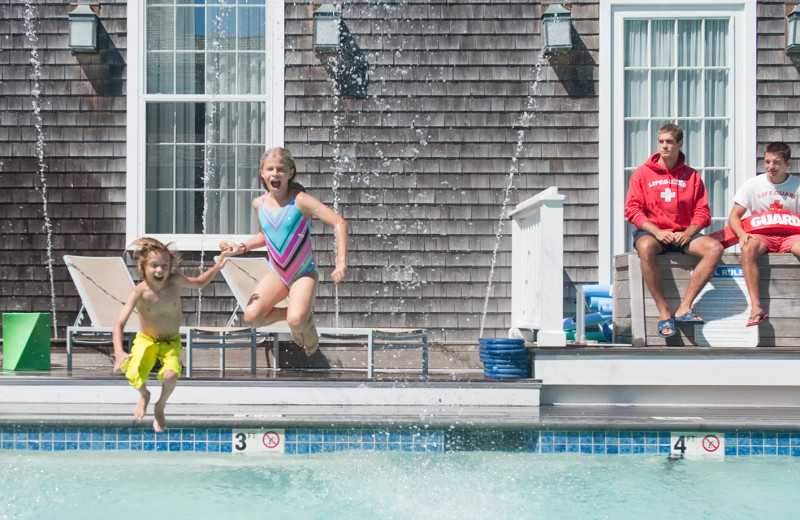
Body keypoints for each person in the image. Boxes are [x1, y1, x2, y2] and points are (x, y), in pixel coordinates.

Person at [220, 147, 348, 354]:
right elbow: (266, 235)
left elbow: (339, 222)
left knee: (295, 320)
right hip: (277, 273)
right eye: (270, 169)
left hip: (303, 273)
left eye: (280, 169)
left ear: (290, 173)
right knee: (252, 316)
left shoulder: (300, 201)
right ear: (262, 172)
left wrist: (341, 263)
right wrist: (241, 246)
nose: (275, 173)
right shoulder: (258, 204)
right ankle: (304, 318)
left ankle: (300, 319)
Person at [113, 237, 230, 432]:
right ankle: (144, 395)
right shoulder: (138, 293)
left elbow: (200, 283)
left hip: (170, 342)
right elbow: (119, 324)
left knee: (170, 375)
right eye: (154, 265)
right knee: (132, 372)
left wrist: (217, 265)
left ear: (170, 267)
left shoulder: (175, 281)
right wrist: (118, 351)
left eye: (164, 266)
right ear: (143, 267)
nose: (159, 270)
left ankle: (160, 405)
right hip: (146, 340)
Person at [624, 123, 723, 338]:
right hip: (654, 233)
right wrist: (657, 231)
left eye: (670, 142)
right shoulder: (642, 174)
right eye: (661, 142)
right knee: (645, 246)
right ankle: (663, 312)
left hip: (683, 234)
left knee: (714, 248)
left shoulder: (692, 176)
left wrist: (688, 232)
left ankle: (685, 307)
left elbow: (703, 212)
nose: (665, 146)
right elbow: (632, 211)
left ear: (680, 143)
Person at [728, 142, 800, 327]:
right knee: (748, 249)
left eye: (776, 162)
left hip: (790, 236)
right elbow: (734, 216)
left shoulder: (797, 185)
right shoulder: (753, 185)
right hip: (762, 235)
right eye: (767, 162)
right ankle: (756, 307)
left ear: (788, 163)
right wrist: (741, 233)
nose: (770, 167)